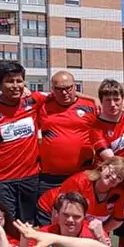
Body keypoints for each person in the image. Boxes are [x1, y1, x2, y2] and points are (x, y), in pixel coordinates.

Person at [0, 61, 46, 223]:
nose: (15, 85)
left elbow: (63, 93)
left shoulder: (33, 101)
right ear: (0, 84)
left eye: (19, 81)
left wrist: (95, 101)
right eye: (10, 81)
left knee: (28, 226)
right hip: (2, 180)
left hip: (30, 177)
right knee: (6, 224)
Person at [37, 71, 98, 199]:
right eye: (59, 89)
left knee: (79, 215)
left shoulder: (91, 107)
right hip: (49, 178)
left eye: (68, 88)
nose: (64, 93)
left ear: (75, 87)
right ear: (52, 89)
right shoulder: (42, 106)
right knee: (47, 215)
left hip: (82, 175)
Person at [35, 157, 124, 234]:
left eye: (119, 177)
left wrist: (99, 232)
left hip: (80, 221)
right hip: (52, 210)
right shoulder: (79, 182)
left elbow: (118, 220)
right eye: (112, 171)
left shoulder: (121, 194)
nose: (114, 177)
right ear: (104, 167)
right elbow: (59, 212)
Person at [91, 79, 124, 164]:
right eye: (108, 100)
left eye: (116, 99)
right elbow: (112, 160)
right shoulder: (96, 129)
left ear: (123, 100)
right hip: (109, 173)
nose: (112, 104)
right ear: (101, 101)